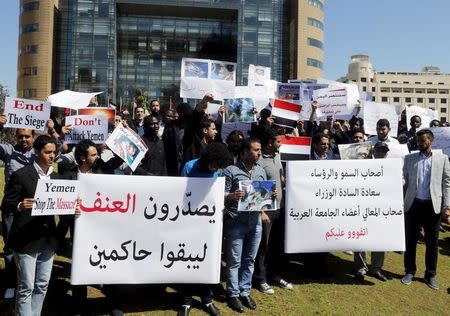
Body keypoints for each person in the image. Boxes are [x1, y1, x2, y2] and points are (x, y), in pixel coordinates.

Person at [1, 135, 59, 315]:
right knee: (26, 286)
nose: (52, 156)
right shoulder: (21, 175)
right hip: (26, 240)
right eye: (47, 152)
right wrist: (20, 205)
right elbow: (6, 204)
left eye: (54, 152)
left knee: (42, 285)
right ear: (37, 152)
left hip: (48, 240)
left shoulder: (57, 178)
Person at [177, 142, 232, 316]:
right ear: (208, 158)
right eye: (214, 164)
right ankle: (186, 301)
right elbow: (177, 192)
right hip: (189, 222)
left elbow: (218, 195)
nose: (216, 168)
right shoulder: (189, 167)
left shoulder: (218, 171)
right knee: (187, 261)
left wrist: (224, 202)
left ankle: (207, 299)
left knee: (208, 262)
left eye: (219, 166)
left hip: (209, 226)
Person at [223, 138, 270, 313]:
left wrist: (268, 197)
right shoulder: (231, 171)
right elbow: (221, 194)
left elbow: (262, 198)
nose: (259, 153)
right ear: (244, 151)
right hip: (236, 221)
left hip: (255, 222)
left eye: (259, 150)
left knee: (249, 259)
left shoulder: (261, 171)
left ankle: (245, 291)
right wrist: (232, 195)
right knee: (234, 260)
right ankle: (233, 294)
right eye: (255, 150)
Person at [401, 129, 450, 290]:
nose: (420, 143)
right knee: (410, 241)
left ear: (431, 141)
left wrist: (447, 206)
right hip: (413, 204)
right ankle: (409, 271)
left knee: (432, 243)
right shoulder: (409, 159)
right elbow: (404, 182)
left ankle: (430, 275)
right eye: (418, 141)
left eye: (423, 141)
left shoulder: (442, 159)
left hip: (432, 206)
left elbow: (447, 183)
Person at [252, 126, 293, 295]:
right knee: (263, 247)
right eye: (278, 141)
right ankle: (260, 279)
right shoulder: (259, 161)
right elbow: (255, 187)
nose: (281, 143)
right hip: (266, 211)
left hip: (280, 208)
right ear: (270, 143)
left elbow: (280, 178)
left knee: (277, 245)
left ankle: (274, 275)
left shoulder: (278, 156)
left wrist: (285, 181)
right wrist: (268, 192)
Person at [354, 141, 389, 282]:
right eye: (379, 150)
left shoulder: (391, 167)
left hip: (381, 208)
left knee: (379, 237)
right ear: (373, 151)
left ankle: (376, 268)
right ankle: (361, 267)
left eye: (384, 151)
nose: (381, 153)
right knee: (359, 235)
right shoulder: (363, 163)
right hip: (361, 206)